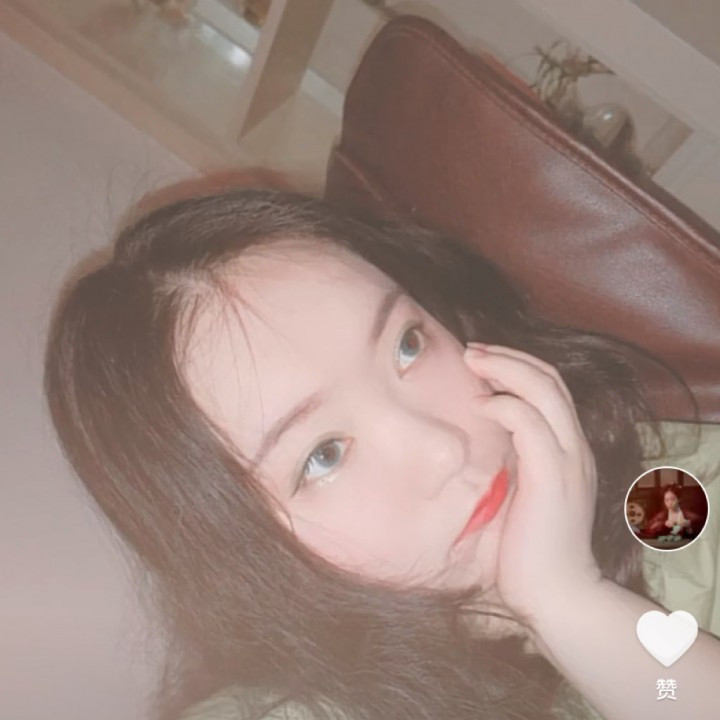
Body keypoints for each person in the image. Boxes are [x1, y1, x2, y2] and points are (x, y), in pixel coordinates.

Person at [43, 188, 720, 720]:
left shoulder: (682, 484)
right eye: (324, 455)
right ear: (237, 550)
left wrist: (571, 604)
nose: (443, 448)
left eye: (407, 345)